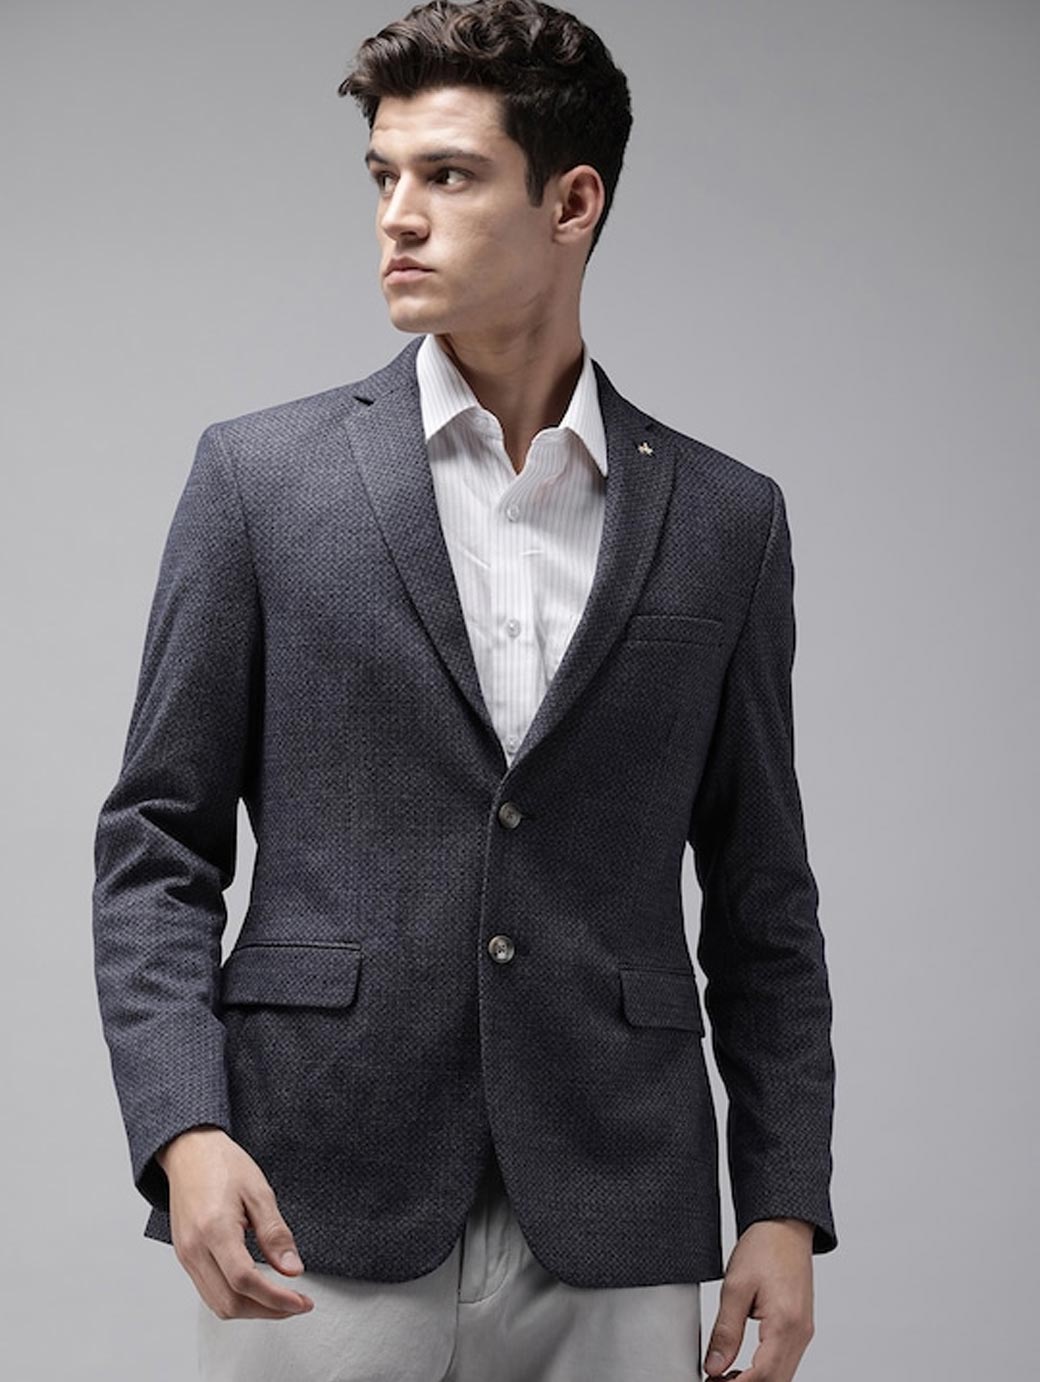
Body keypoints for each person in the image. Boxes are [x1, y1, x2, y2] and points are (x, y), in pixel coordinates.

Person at [92, 2, 837, 1379]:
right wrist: (183, 1130)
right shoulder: (260, 480)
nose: (398, 215)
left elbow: (764, 899)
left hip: (616, 1197)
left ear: (572, 201)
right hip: (314, 1187)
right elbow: (155, 846)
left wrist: (783, 1202)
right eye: (384, 175)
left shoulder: (728, 520)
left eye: (448, 175)